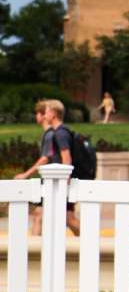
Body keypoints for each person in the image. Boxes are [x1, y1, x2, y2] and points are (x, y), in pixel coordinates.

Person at [15, 99, 80, 237]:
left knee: (68, 219)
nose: (43, 115)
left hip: (60, 182)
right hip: (56, 182)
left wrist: (65, 183)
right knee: (44, 215)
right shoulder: (57, 132)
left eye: (45, 112)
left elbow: (65, 158)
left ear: (53, 114)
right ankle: (34, 249)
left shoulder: (59, 133)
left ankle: (93, 243)